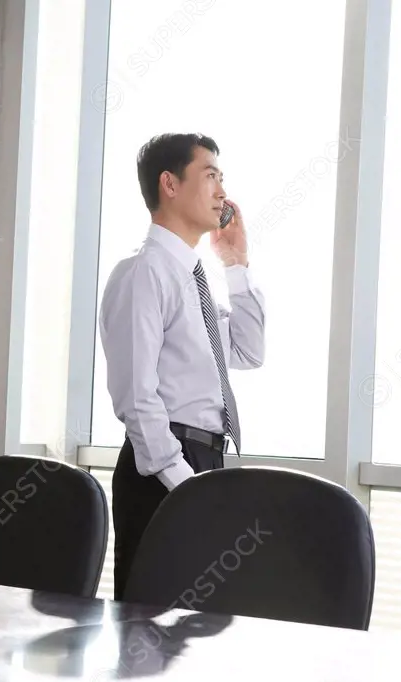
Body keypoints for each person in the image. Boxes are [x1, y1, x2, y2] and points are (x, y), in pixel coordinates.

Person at [98, 132, 266, 600]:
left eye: (222, 178)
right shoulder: (144, 272)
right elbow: (136, 396)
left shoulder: (193, 279)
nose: (221, 192)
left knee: (198, 627)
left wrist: (236, 261)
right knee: (150, 625)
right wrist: (181, 482)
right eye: (210, 175)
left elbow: (248, 351)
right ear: (169, 185)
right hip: (163, 467)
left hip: (202, 461)